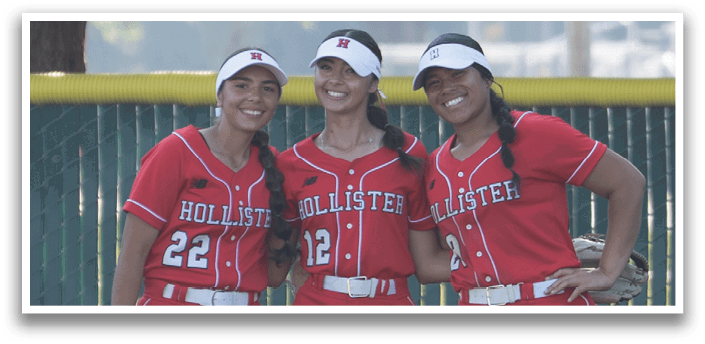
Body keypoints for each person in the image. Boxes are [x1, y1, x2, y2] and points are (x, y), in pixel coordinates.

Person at [413, 33, 645, 305]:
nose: (446, 88)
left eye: (457, 75)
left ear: (486, 78)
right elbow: (429, 265)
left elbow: (627, 182)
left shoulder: (536, 132)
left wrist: (606, 271)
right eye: (434, 83)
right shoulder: (434, 167)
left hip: (546, 299)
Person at [276, 29, 449, 305]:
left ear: (372, 83)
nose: (335, 79)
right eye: (326, 67)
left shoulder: (408, 151)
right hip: (316, 300)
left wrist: (519, 265)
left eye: (350, 71)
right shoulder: (292, 162)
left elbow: (427, 264)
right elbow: (274, 267)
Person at [110, 48, 297, 305]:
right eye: (241, 85)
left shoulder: (275, 166)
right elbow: (133, 255)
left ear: (276, 103)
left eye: (267, 89)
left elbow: (275, 275)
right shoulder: (176, 151)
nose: (255, 96)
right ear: (220, 96)